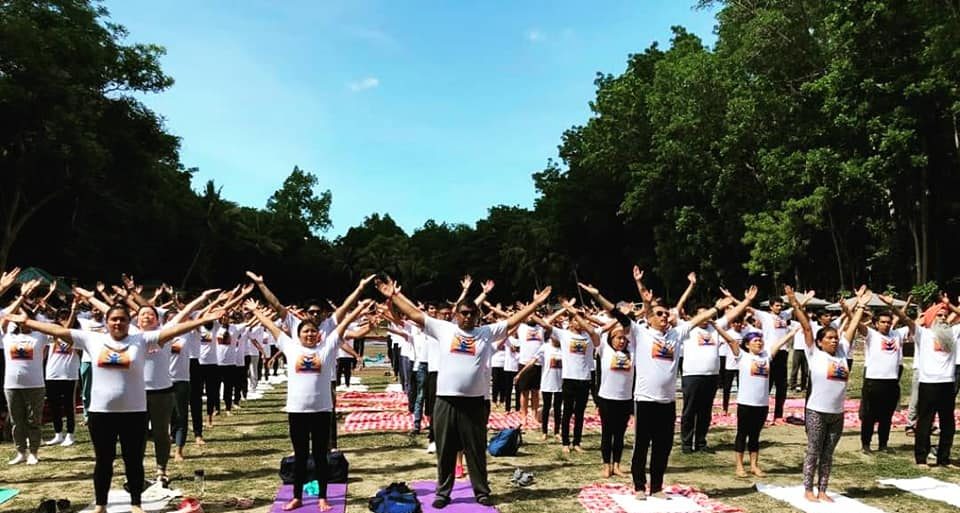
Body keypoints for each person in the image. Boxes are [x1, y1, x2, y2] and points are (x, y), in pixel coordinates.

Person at [6, 301, 221, 513]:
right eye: (114, 319)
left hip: (134, 413)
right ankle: (101, 505)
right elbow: (58, 330)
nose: (118, 323)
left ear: (130, 322)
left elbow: (174, 329)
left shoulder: (142, 339)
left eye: (122, 319)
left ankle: (136, 504)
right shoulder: (92, 339)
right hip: (101, 414)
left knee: (134, 461)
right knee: (103, 461)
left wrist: (201, 320)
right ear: (107, 322)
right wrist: (28, 322)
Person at [376, 276, 551, 509]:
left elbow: (511, 321)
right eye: (464, 313)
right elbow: (416, 314)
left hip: (475, 403)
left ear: (477, 315)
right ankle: (443, 492)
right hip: (446, 401)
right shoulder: (443, 328)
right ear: (456, 314)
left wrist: (535, 304)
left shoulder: (485, 332)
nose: (468, 317)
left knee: (476, 450)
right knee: (446, 449)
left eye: (472, 313)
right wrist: (394, 296)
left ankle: (481, 491)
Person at [578, 266, 738, 499]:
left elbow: (697, 320)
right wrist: (596, 294)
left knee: (663, 447)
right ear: (650, 318)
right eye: (660, 314)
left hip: (668, 401)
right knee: (642, 445)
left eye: (666, 314)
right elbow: (618, 313)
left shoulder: (676, 334)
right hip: (645, 400)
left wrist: (716, 308)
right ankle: (640, 486)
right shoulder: (640, 333)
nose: (665, 317)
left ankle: (657, 486)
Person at [245, 298, 365, 512]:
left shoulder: (327, 347)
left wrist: (359, 309)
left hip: (321, 411)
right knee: (300, 456)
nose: (309, 334)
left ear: (318, 334)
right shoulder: (290, 347)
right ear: (298, 335)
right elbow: (272, 327)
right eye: (305, 332)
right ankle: (297, 497)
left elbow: (344, 324)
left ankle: (322, 497)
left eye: (312, 332)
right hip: (297, 411)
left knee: (320, 457)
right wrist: (256, 311)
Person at [788, 285, 867, 502]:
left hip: (837, 414)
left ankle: (823, 489)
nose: (834, 340)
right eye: (829, 338)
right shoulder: (814, 353)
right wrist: (795, 304)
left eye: (835, 337)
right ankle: (808, 489)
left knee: (828, 454)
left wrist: (859, 304)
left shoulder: (842, 353)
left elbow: (850, 326)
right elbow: (805, 328)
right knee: (813, 451)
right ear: (821, 341)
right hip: (816, 412)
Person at [716, 312, 797, 477]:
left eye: (760, 341)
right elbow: (731, 341)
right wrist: (717, 327)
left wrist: (792, 333)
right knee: (742, 434)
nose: (759, 343)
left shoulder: (767, 357)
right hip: (746, 403)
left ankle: (754, 465)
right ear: (747, 344)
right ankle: (739, 465)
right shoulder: (742, 356)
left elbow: (779, 343)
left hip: (762, 404)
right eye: (755, 341)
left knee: (755, 435)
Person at [2, 280, 48, 464]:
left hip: (35, 384)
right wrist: (21, 298)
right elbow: (5, 317)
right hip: (11, 385)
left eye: (24, 317)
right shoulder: (7, 335)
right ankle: (21, 452)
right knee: (16, 421)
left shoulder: (40, 335)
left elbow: (51, 327)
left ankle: (34, 452)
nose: (21, 320)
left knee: (33, 420)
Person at [910, 297, 960, 467]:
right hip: (928, 384)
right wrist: (891, 307)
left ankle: (944, 459)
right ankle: (921, 458)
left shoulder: (952, 333)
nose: (943, 319)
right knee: (925, 422)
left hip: (947, 383)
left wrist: (950, 305)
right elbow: (906, 322)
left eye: (945, 316)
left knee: (948, 425)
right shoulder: (924, 334)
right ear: (931, 318)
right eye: (939, 315)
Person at [857, 297, 911, 453]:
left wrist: (893, 305)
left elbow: (908, 320)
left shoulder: (897, 334)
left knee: (886, 417)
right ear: (876, 323)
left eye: (888, 322)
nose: (886, 325)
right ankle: (866, 445)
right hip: (873, 382)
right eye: (883, 322)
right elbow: (857, 325)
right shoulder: (872, 335)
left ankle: (883, 445)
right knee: (869, 416)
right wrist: (854, 308)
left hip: (891, 382)